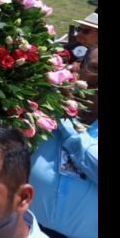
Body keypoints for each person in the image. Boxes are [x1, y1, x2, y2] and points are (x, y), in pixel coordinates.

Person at [29, 47, 98, 238]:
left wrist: (66, 121)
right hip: (28, 230)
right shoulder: (43, 113)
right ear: (79, 70)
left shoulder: (59, 117)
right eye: (95, 68)